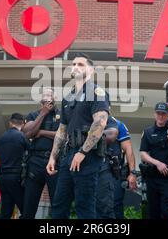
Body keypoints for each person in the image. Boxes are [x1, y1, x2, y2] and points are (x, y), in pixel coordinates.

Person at [46, 53, 110, 219]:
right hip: (68, 156)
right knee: (59, 205)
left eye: (81, 64)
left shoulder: (97, 92)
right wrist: (53, 157)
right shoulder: (68, 96)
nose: (75, 67)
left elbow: (100, 123)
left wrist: (82, 152)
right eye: (74, 64)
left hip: (87, 157)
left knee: (85, 206)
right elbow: (62, 130)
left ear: (91, 70)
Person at [21, 89, 60, 219]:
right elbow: (28, 133)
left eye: (50, 95)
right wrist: (43, 113)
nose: (47, 98)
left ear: (55, 99)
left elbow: (63, 135)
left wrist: (42, 133)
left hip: (55, 161)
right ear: (41, 100)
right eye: (45, 96)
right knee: (29, 205)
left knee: (57, 203)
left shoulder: (61, 115)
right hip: (35, 162)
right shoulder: (33, 115)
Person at [139, 102, 168, 219]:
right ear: (154, 114)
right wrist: (157, 163)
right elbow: (143, 153)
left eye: (163, 114)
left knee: (167, 210)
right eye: (158, 113)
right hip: (152, 177)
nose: (160, 116)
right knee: (153, 211)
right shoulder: (148, 132)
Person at [0, 113, 29, 219]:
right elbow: (30, 152)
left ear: (10, 123)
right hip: (16, 178)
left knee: (6, 211)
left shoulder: (1, 138)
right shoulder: (22, 137)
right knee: (26, 210)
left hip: (2, 177)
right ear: (23, 123)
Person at [113, 117, 137, 219]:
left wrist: (132, 173)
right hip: (95, 172)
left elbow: (128, 149)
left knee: (116, 205)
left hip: (114, 172)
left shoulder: (118, 125)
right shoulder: (90, 123)